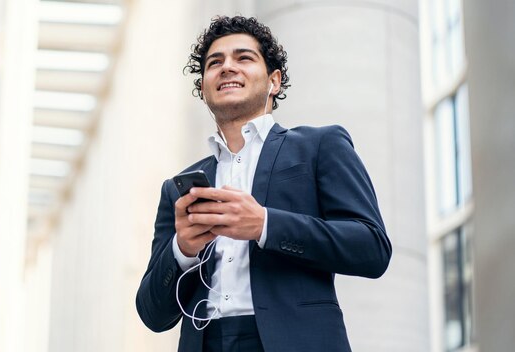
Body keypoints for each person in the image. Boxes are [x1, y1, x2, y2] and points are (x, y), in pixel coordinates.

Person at [136, 15, 392, 352]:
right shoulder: (178, 188)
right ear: (203, 88)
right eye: (215, 62)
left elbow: (371, 248)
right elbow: (153, 314)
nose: (227, 67)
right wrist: (182, 250)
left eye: (243, 58)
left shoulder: (320, 146)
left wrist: (265, 225)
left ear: (274, 81)